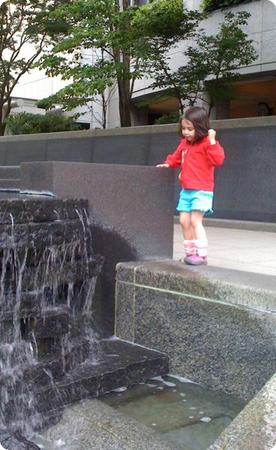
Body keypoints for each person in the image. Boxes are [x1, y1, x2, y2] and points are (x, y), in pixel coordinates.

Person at [157, 106, 225, 265]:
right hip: (186, 190)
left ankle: (202, 255)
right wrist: (168, 164)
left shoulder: (208, 143)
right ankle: (190, 253)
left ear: (200, 128)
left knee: (195, 220)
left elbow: (218, 160)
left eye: (190, 129)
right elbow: (175, 158)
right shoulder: (184, 144)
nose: (186, 132)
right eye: (184, 128)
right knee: (183, 220)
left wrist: (213, 141)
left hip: (202, 190)